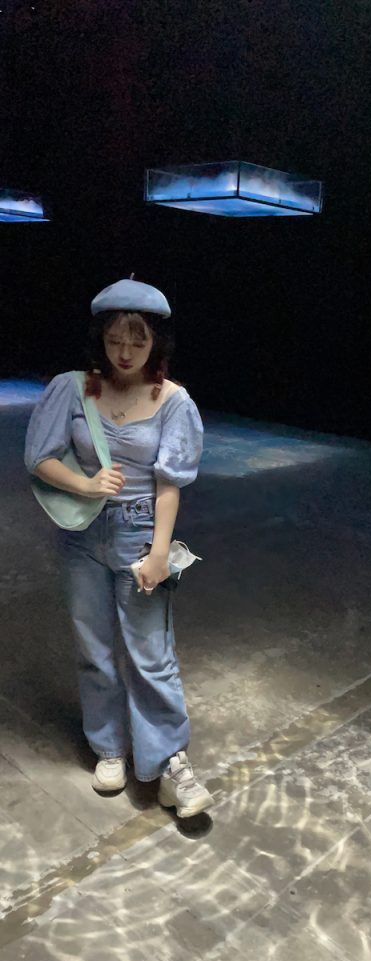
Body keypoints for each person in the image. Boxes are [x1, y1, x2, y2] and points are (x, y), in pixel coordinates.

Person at [24, 277, 214, 818]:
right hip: (82, 535)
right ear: (100, 339)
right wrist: (85, 485)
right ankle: (109, 747)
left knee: (152, 654)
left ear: (156, 342)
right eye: (114, 340)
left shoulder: (172, 400)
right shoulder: (74, 388)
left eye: (137, 340)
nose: (124, 352)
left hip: (140, 534)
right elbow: (39, 457)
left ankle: (169, 763)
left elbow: (169, 484)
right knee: (94, 646)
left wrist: (158, 553)